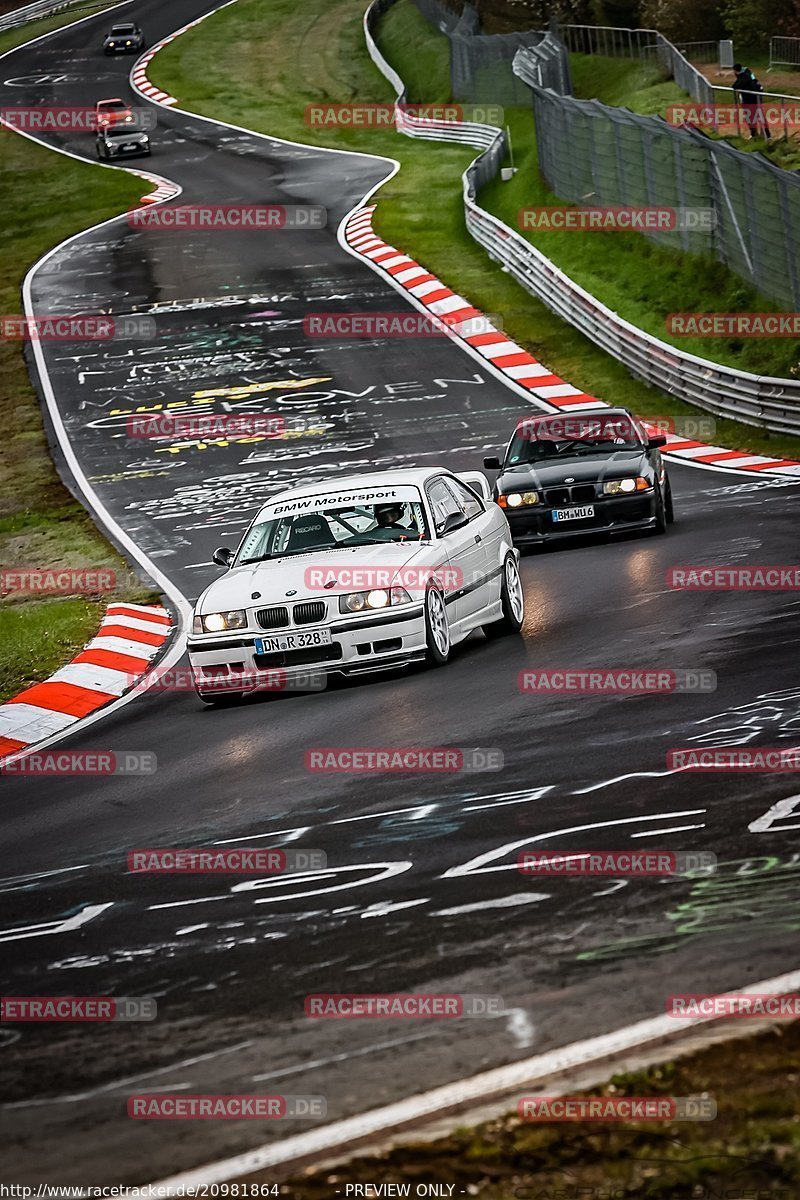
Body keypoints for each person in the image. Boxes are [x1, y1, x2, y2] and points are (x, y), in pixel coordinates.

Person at [732, 63, 771, 139]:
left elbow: (736, 85)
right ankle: (755, 133)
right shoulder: (746, 74)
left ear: (735, 71)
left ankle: (766, 134)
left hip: (752, 99)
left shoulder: (744, 76)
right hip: (752, 98)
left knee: (756, 116)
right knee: (752, 116)